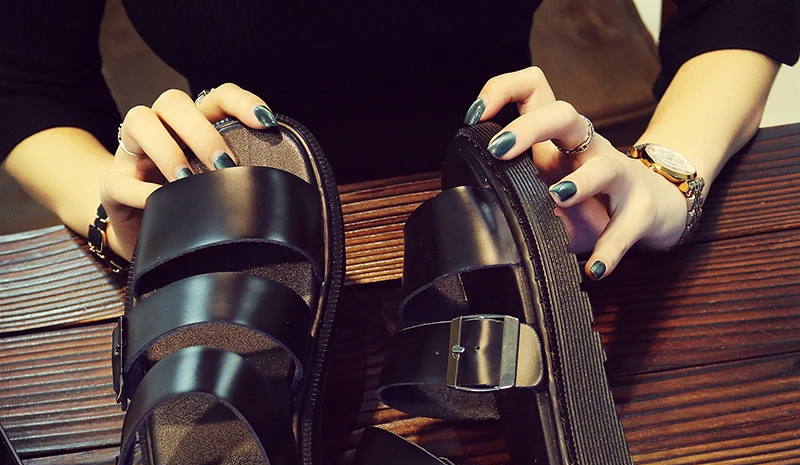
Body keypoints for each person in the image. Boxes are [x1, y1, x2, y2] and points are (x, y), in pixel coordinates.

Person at [1, 1, 798, 279]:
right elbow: (22, 76)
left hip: (520, 211)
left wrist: (671, 174)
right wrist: (115, 212)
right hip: (235, 233)